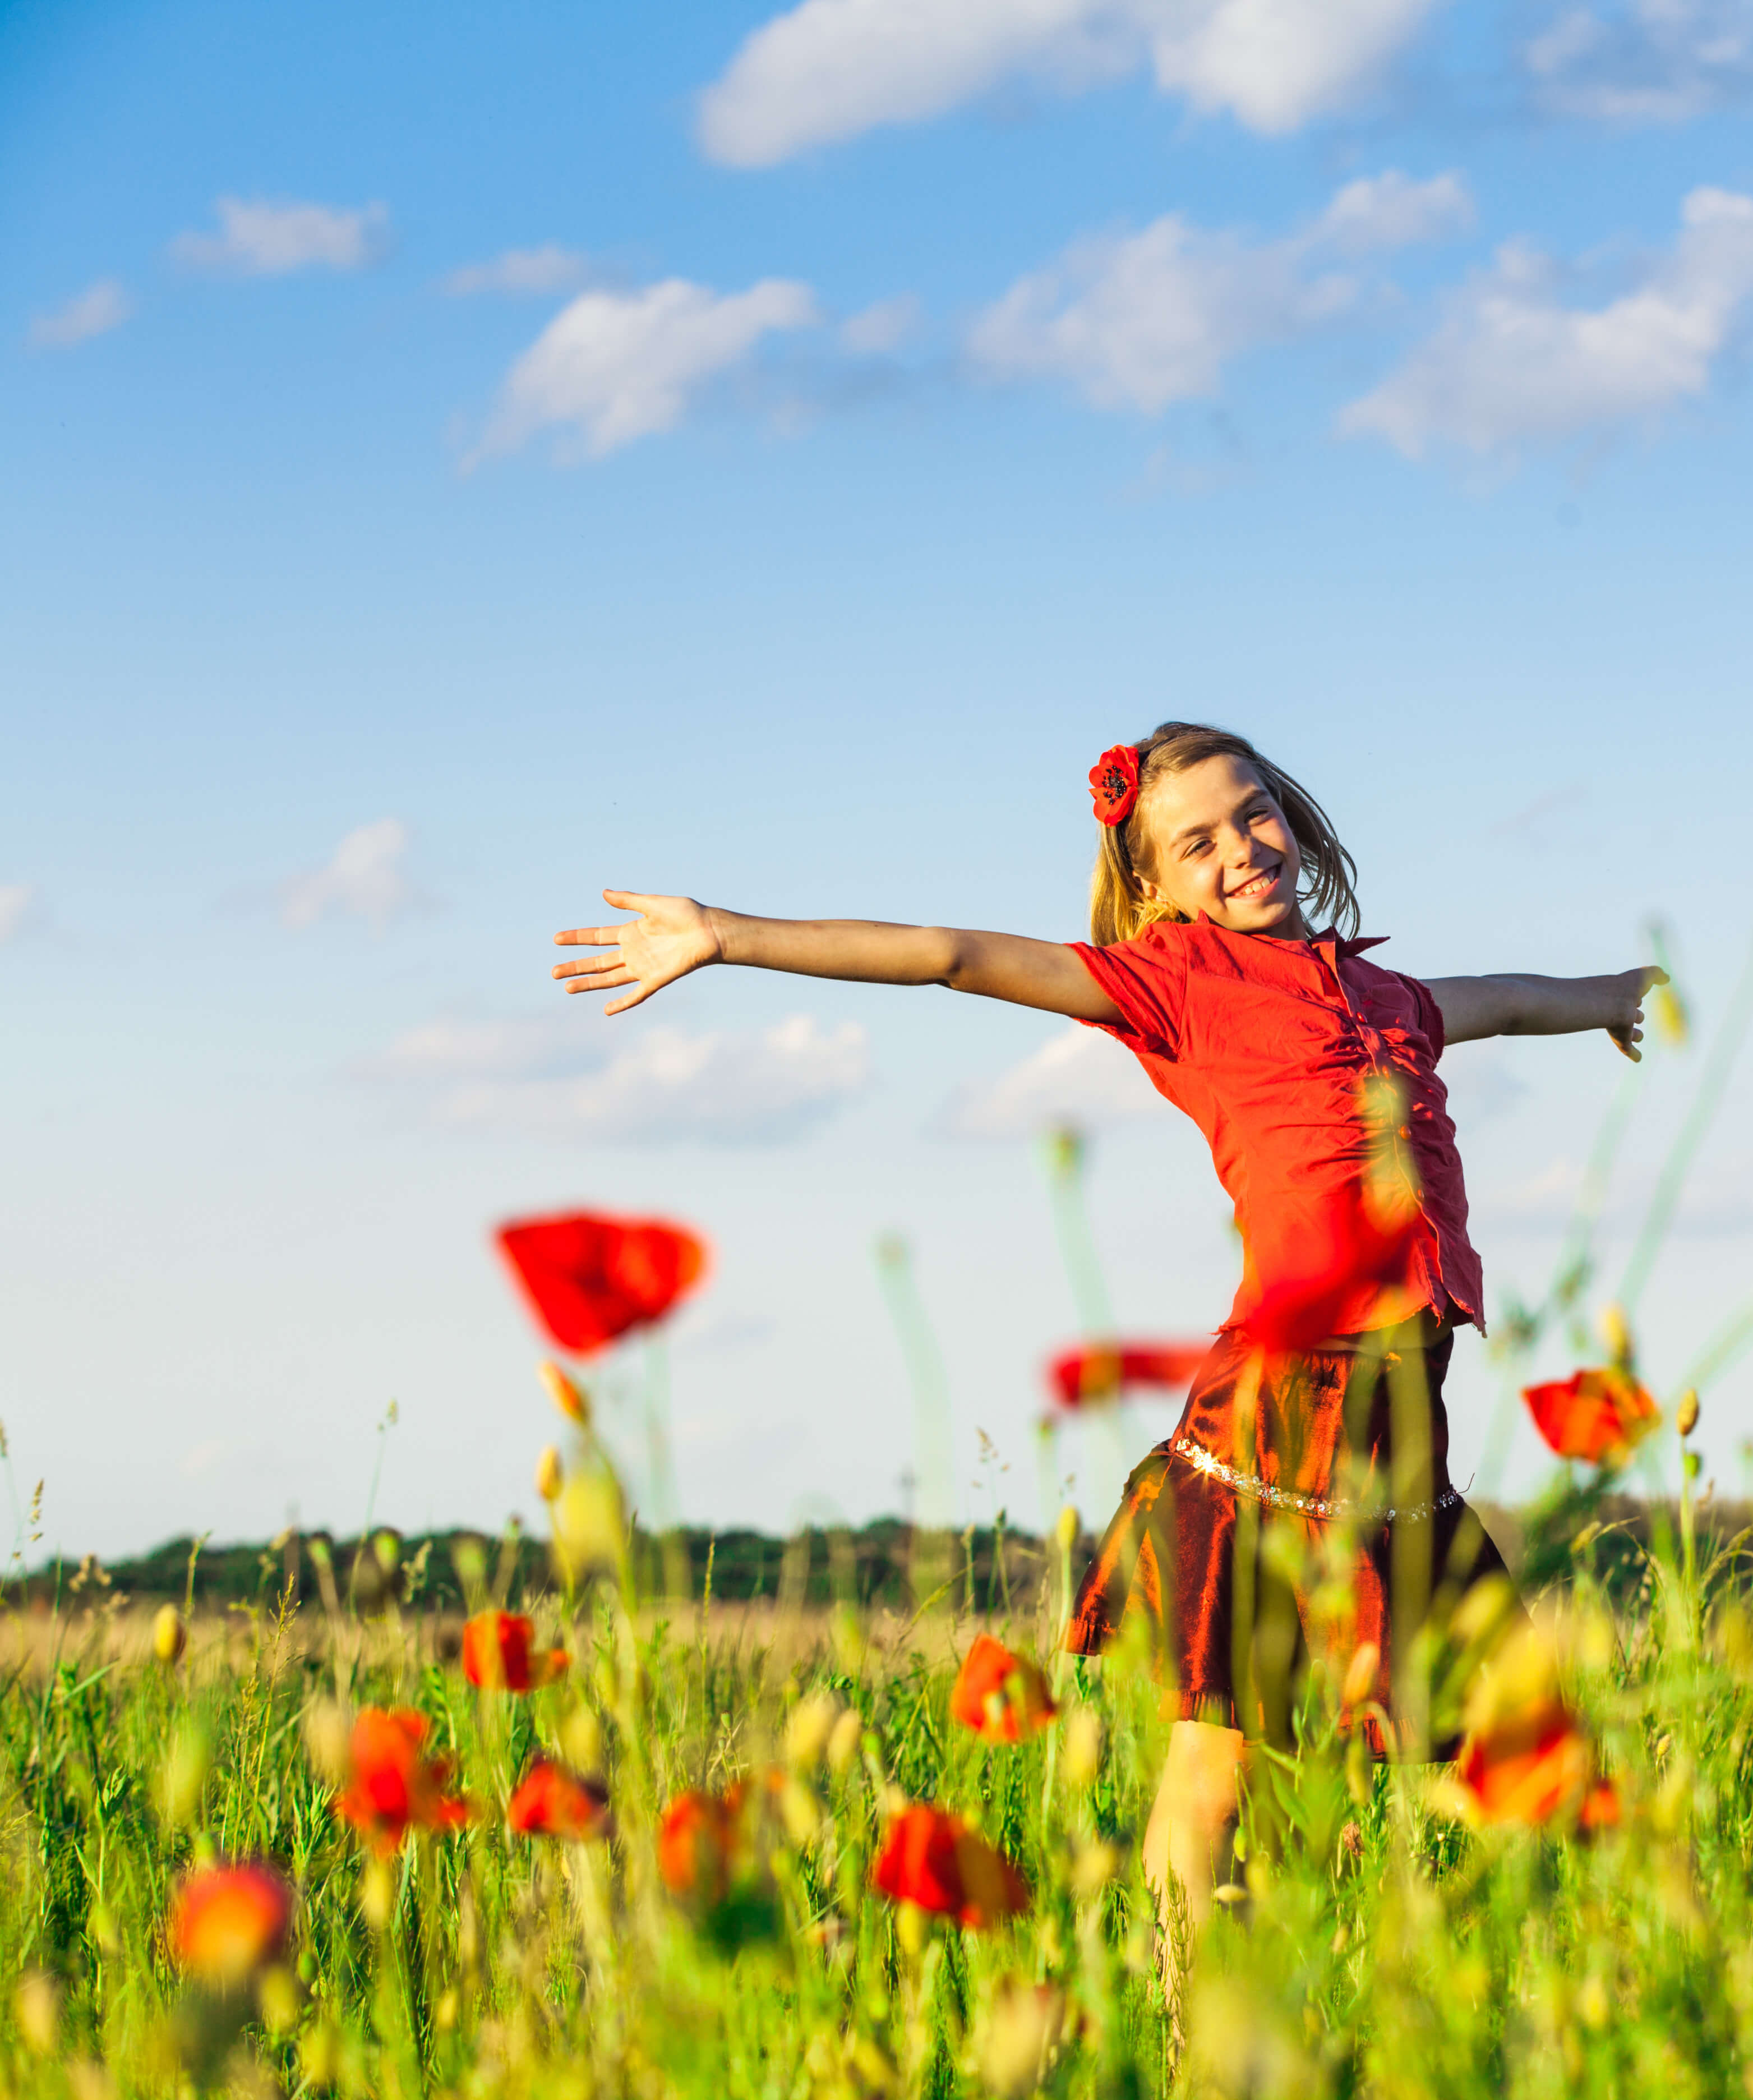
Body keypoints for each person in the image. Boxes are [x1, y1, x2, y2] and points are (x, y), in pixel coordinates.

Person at [549, 720, 1659, 1924]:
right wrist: (726, 935)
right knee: (1225, 1756)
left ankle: (1276, 2006)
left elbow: (1498, 999)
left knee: (1368, 1751)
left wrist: (1611, 996)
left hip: (1403, 1417)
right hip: (1290, 1403)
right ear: (1152, 884)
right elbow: (950, 955)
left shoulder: (1389, 996)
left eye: (1253, 814)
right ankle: (1193, 2008)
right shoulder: (1174, 986)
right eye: (1197, 843)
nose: (1241, 848)